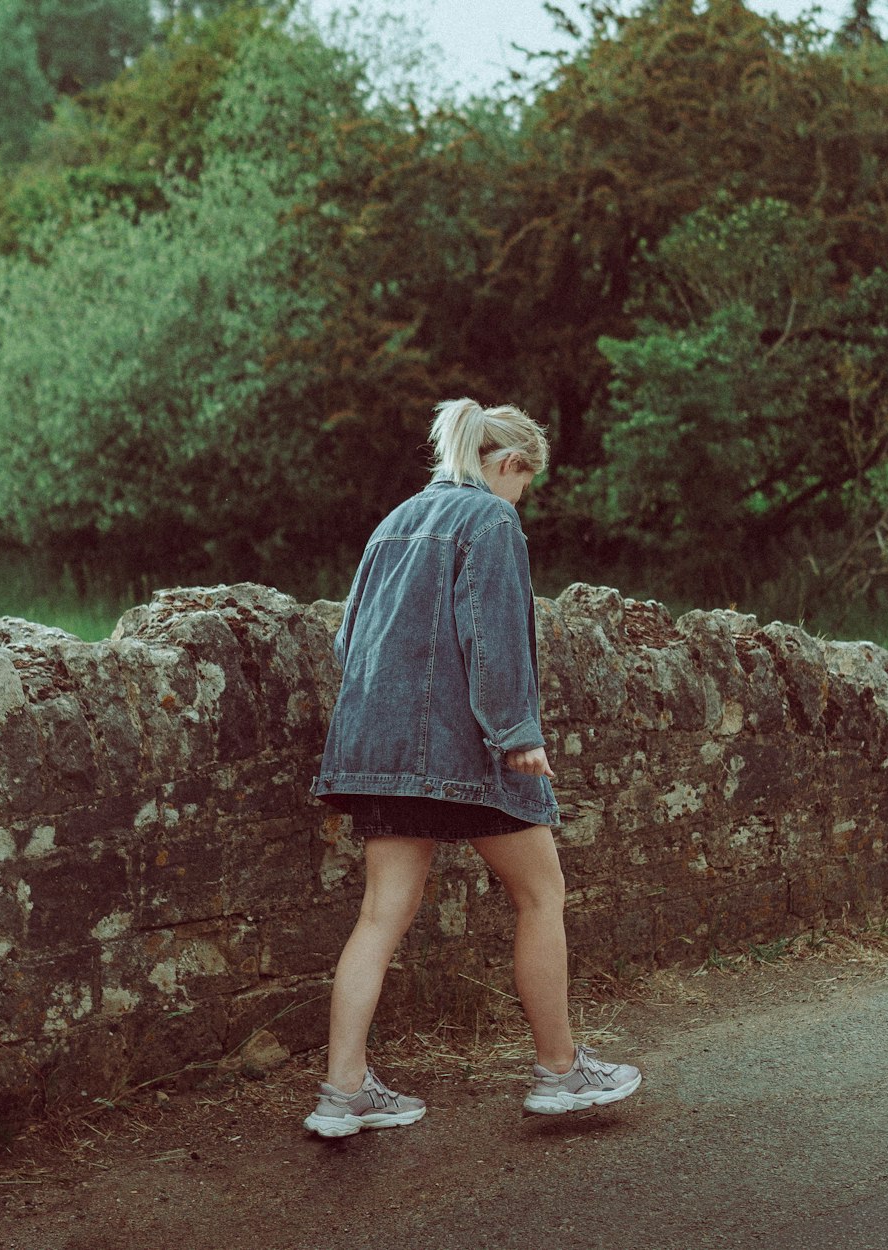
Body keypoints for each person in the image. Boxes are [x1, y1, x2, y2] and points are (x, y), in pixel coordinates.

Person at [304, 398, 641, 1139]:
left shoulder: (393, 520)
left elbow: (345, 642)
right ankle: (559, 1072)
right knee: (542, 894)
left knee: (379, 914)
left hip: (377, 751)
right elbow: (492, 637)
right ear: (508, 464)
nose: (524, 496)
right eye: (527, 480)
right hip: (469, 750)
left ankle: (343, 1091)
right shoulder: (489, 519)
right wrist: (517, 731)